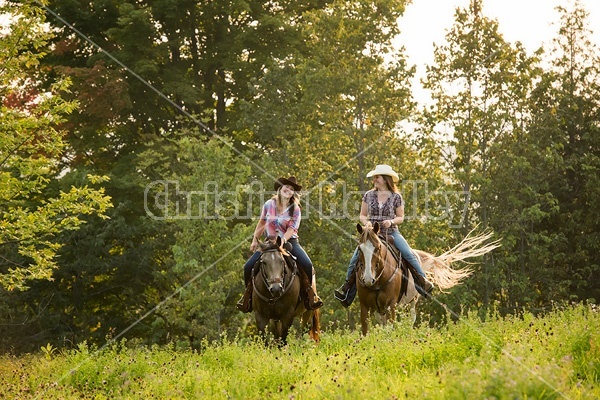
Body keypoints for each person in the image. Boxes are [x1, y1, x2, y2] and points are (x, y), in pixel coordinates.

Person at [334, 164, 434, 307]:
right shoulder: (368, 195)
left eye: (377, 177)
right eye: (374, 177)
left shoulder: (396, 197)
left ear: (386, 179)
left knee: (409, 254)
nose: (374, 179)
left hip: (392, 232)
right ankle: (346, 289)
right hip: (372, 234)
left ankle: (423, 282)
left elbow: (401, 217)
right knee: (354, 259)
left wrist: (391, 221)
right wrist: (367, 223)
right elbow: (362, 215)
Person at [236, 176, 323, 313]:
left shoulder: (295, 209)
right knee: (248, 267)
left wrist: (282, 240)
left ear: (293, 193)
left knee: (307, 265)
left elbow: (292, 229)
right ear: (280, 188)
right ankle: (248, 297)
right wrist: (255, 239)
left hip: (289, 242)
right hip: (268, 243)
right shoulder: (269, 204)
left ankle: (310, 297)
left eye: (292, 189)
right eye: (286, 187)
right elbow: (262, 222)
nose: (288, 190)